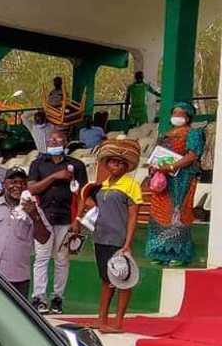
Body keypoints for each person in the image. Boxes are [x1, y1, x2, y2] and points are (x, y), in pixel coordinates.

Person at [73, 139, 143, 332]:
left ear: (127, 166)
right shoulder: (101, 186)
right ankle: (102, 319)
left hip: (119, 239)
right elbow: (90, 206)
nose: (117, 165)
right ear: (106, 163)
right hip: (101, 237)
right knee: (106, 279)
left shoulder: (131, 185)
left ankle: (119, 322)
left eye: (121, 163)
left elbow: (133, 216)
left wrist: (127, 243)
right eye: (113, 162)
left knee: (123, 279)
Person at [28, 130, 88, 313]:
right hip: (43, 217)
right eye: (50, 139)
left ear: (66, 142)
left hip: (66, 218)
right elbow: (32, 188)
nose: (53, 142)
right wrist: (54, 177)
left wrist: (78, 219)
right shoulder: (38, 164)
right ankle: (39, 297)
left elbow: (83, 194)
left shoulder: (76, 165)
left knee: (62, 259)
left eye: (58, 139)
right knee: (41, 258)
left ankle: (57, 298)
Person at [0, 168, 51, 295]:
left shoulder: (33, 209)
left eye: (22, 183)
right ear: (5, 183)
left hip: (18, 279)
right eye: (13, 182)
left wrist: (35, 215)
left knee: (14, 314)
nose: (18, 186)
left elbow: (44, 239)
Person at [146, 102, 204, 266]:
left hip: (182, 179)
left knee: (178, 212)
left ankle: (179, 254)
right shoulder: (166, 134)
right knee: (160, 213)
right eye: (175, 113)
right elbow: (156, 155)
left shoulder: (194, 133)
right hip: (164, 180)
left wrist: (172, 166)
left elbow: (192, 155)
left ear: (188, 117)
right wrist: (154, 166)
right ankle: (159, 252)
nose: (177, 116)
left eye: (181, 113)